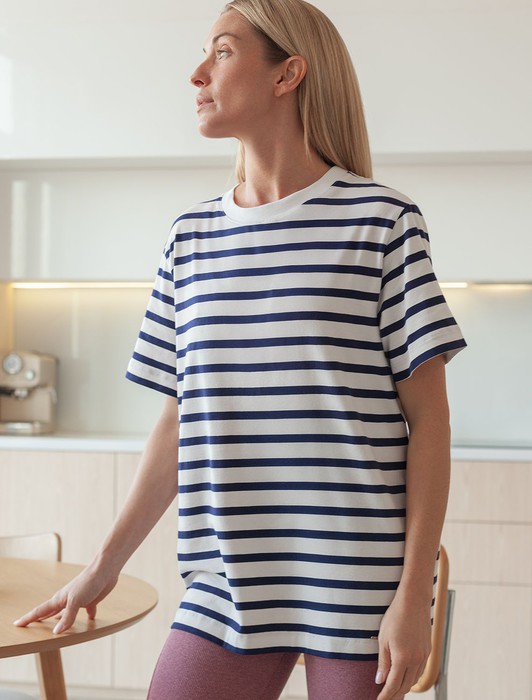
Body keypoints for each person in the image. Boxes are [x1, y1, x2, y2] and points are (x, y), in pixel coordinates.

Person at [14, 1, 466, 698]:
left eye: (221, 52)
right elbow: (178, 423)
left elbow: (429, 420)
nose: (197, 73)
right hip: (229, 575)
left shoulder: (382, 222)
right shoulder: (189, 236)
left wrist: (412, 596)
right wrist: (103, 564)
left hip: (360, 579)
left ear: (288, 74)